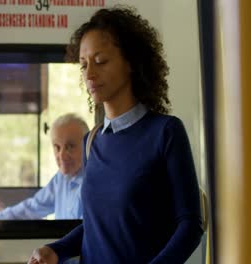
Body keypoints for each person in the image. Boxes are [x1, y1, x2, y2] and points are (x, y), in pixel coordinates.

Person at [27, 6, 204, 264]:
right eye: (84, 65)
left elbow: (190, 226)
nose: (89, 74)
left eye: (100, 62)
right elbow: (97, 227)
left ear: (131, 62)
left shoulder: (165, 132)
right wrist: (57, 249)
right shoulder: (92, 141)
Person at [0, 113, 89, 220]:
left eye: (70, 147)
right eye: (57, 147)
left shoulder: (92, 185)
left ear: (87, 146)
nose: (62, 155)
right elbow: (32, 208)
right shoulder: (61, 179)